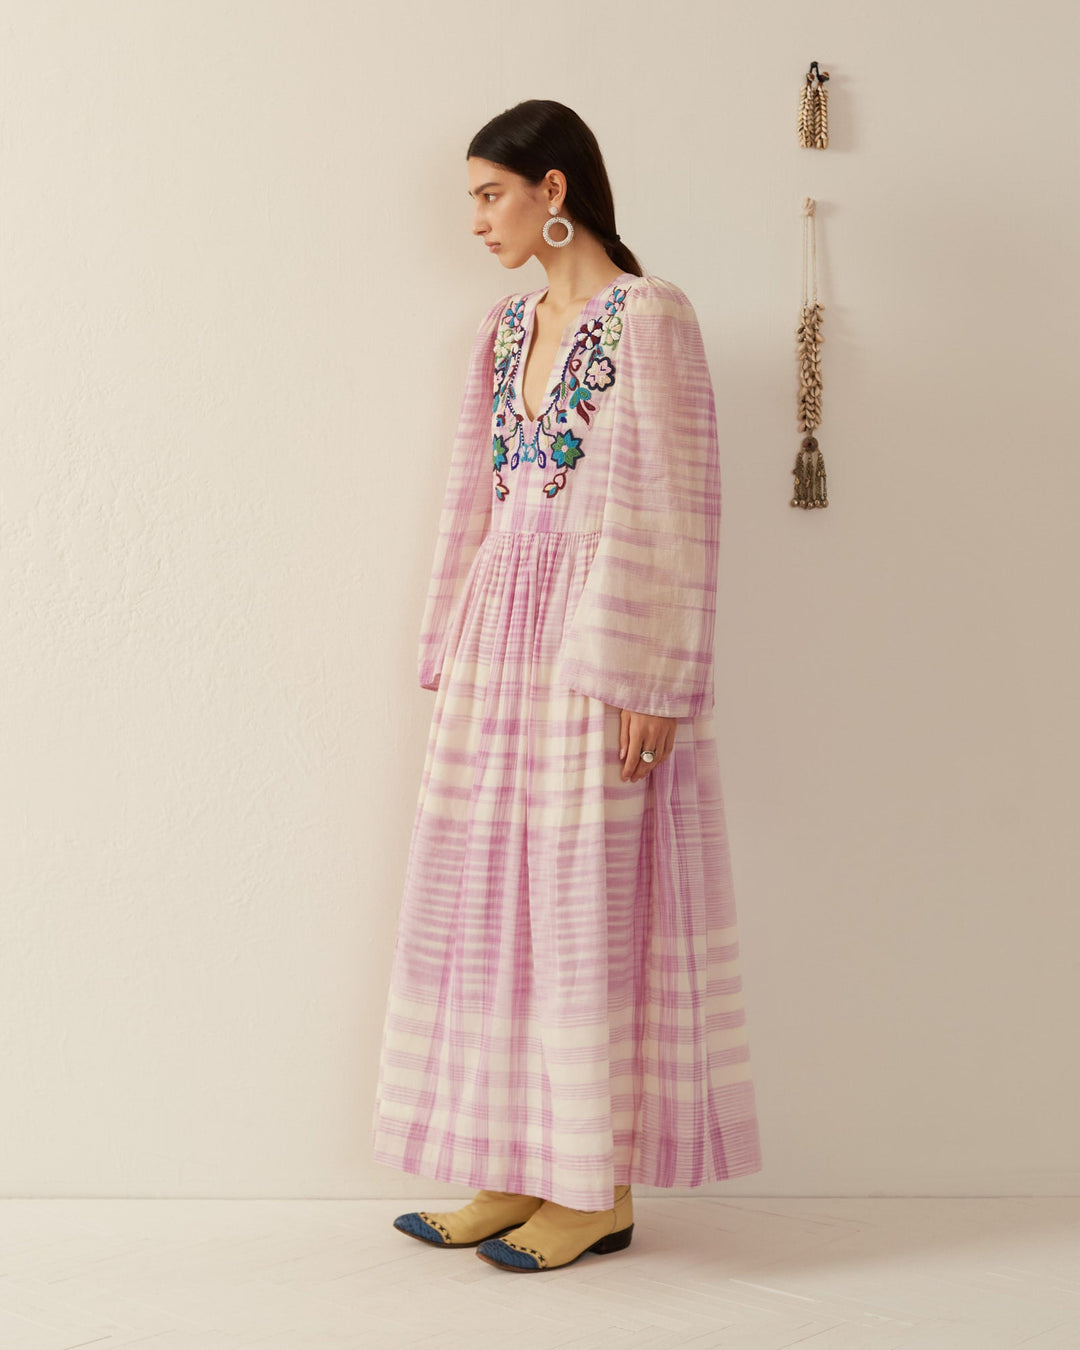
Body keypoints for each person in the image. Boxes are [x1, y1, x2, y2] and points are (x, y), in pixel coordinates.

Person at [371, 99, 763, 1273]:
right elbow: (470, 500)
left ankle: (595, 1190)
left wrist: (658, 674)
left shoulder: (649, 316)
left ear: (555, 190)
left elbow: (679, 505)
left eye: (491, 194)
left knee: (585, 904)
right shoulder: (501, 330)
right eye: (472, 200)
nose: (478, 221)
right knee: (494, 898)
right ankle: (506, 1167)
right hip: (503, 642)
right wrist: (449, 642)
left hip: (602, 644)